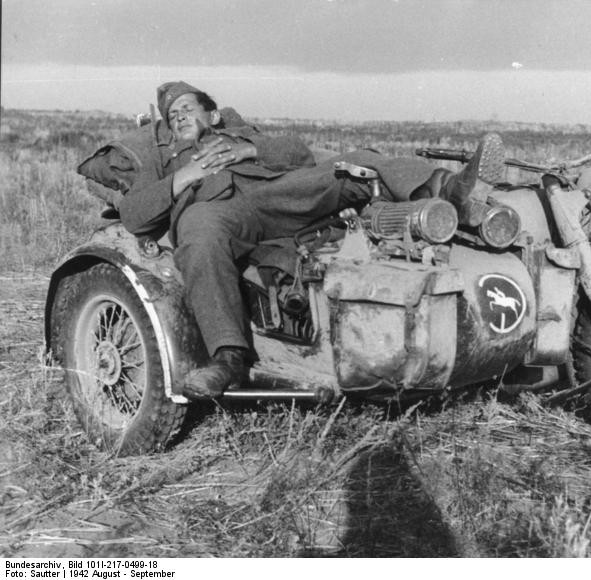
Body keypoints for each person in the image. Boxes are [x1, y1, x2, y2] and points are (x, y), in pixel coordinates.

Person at [103, 81, 507, 400]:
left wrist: (248, 149)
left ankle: (450, 193)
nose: (178, 117)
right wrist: (183, 178)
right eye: (172, 116)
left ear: (212, 113)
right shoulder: (164, 158)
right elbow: (134, 213)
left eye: (188, 108)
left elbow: (299, 155)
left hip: (278, 195)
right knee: (199, 233)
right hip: (218, 212)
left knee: (358, 161)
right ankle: (229, 357)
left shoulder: (241, 134)